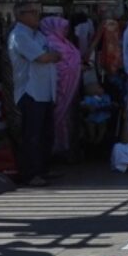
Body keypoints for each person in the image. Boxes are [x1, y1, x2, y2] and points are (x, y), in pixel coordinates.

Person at [8, 2, 60, 187]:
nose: (37, 15)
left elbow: (53, 54)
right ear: (21, 14)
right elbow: (43, 57)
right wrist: (52, 56)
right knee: (32, 135)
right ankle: (30, 174)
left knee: (46, 133)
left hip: (45, 92)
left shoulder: (38, 35)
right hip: (30, 92)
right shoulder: (19, 35)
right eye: (33, 12)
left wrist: (52, 56)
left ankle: (44, 169)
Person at [41, 16, 81, 157]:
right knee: (58, 118)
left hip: (69, 88)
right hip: (59, 88)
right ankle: (56, 150)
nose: (65, 31)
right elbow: (59, 65)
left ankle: (65, 148)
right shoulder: (50, 42)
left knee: (67, 119)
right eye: (63, 28)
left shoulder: (64, 42)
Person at [79, 81, 113, 154]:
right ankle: (91, 139)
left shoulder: (106, 97)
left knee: (102, 127)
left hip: (103, 118)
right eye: (98, 88)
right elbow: (83, 105)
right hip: (91, 118)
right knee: (90, 128)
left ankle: (98, 140)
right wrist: (87, 107)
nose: (100, 89)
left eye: (100, 88)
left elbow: (109, 105)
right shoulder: (88, 98)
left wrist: (106, 107)